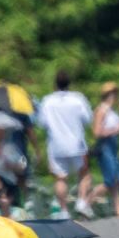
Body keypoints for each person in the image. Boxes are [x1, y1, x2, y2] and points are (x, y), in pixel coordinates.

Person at [37, 70, 94, 219]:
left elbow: (41, 123)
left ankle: (64, 210)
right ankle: (81, 201)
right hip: (76, 143)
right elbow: (88, 118)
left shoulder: (47, 101)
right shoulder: (78, 99)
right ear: (69, 84)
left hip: (56, 145)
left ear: (55, 84)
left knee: (60, 178)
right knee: (84, 173)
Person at [89, 82, 119, 218]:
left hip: (113, 145)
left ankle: (118, 209)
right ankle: (86, 202)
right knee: (110, 180)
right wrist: (115, 130)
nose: (115, 96)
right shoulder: (101, 110)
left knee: (117, 179)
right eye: (113, 93)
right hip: (105, 145)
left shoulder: (112, 111)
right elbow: (96, 132)